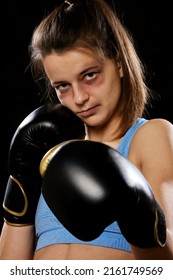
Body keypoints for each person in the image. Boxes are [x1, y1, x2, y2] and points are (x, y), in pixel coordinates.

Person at [0, 0, 173, 260]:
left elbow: (165, 266)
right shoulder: (45, 151)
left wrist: (134, 204)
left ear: (119, 62)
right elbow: (10, 270)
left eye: (89, 75)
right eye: (62, 86)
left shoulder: (148, 136)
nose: (79, 98)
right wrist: (21, 181)